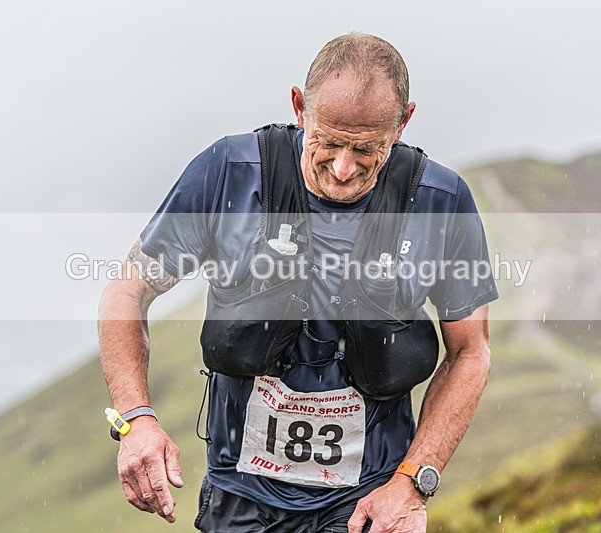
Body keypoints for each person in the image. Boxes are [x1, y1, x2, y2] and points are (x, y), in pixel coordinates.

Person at [98, 33, 498, 532]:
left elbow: (470, 353)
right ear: (299, 106)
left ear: (404, 123)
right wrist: (136, 420)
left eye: (368, 148)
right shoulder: (230, 173)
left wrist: (413, 483)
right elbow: (128, 289)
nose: (344, 167)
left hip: (369, 502)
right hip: (239, 496)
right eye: (328, 141)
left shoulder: (440, 201)